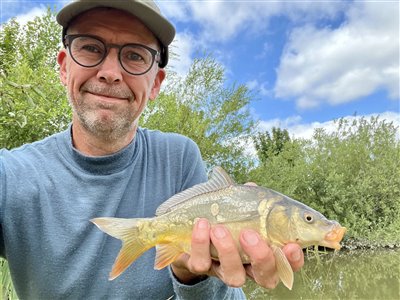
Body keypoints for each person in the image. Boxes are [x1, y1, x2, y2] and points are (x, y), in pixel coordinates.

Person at [0, 0, 304, 299]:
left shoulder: (180, 157)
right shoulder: (10, 175)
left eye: (134, 55)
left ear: (156, 83)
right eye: (91, 47)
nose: (110, 72)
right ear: (65, 68)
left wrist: (192, 274)